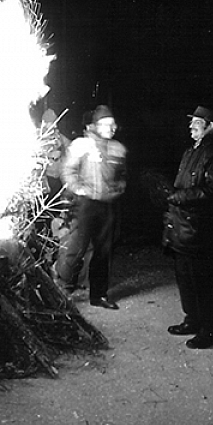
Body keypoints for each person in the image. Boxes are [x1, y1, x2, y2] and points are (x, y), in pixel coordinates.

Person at [163, 106, 213, 348]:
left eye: (196, 123)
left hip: (201, 226)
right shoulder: (193, 149)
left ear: (210, 125)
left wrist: (178, 197)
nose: (190, 127)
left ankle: (210, 329)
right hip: (183, 223)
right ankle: (192, 319)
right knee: (184, 275)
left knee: (201, 279)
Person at [57, 105, 127, 309]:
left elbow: (122, 176)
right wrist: (78, 189)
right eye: (105, 124)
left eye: (112, 124)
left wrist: (118, 189)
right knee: (76, 247)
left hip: (107, 206)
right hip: (85, 204)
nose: (110, 128)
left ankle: (99, 295)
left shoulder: (118, 148)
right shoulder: (81, 145)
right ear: (95, 126)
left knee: (103, 251)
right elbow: (68, 170)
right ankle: (61, 290)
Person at [40, 108, 72, 202]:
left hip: (58, 176)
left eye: (56, 122)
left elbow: (69, 145)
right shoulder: (40, 137)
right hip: (46, 178)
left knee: (57, 202)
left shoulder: (58, 135)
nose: (55, 125)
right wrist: (50, 154)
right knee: (45, 204)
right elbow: (35, 154)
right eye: (52, 122)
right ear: (45, 123)